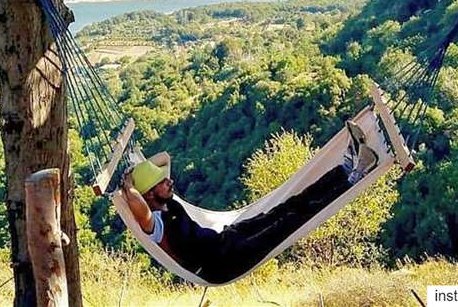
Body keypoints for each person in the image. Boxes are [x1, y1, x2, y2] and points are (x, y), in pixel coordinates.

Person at [122, 121, 379, 283]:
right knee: (291, 221)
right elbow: (137, 206)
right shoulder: (155, 224)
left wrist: (137, 172)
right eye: (161, 182)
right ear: (149, 194)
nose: (170, 182)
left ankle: (343, 170)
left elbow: (164, 158)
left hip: (227, 239)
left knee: (288, 206)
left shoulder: (168, 202)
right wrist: (128, 185)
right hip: (223, 264)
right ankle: (354, 179)